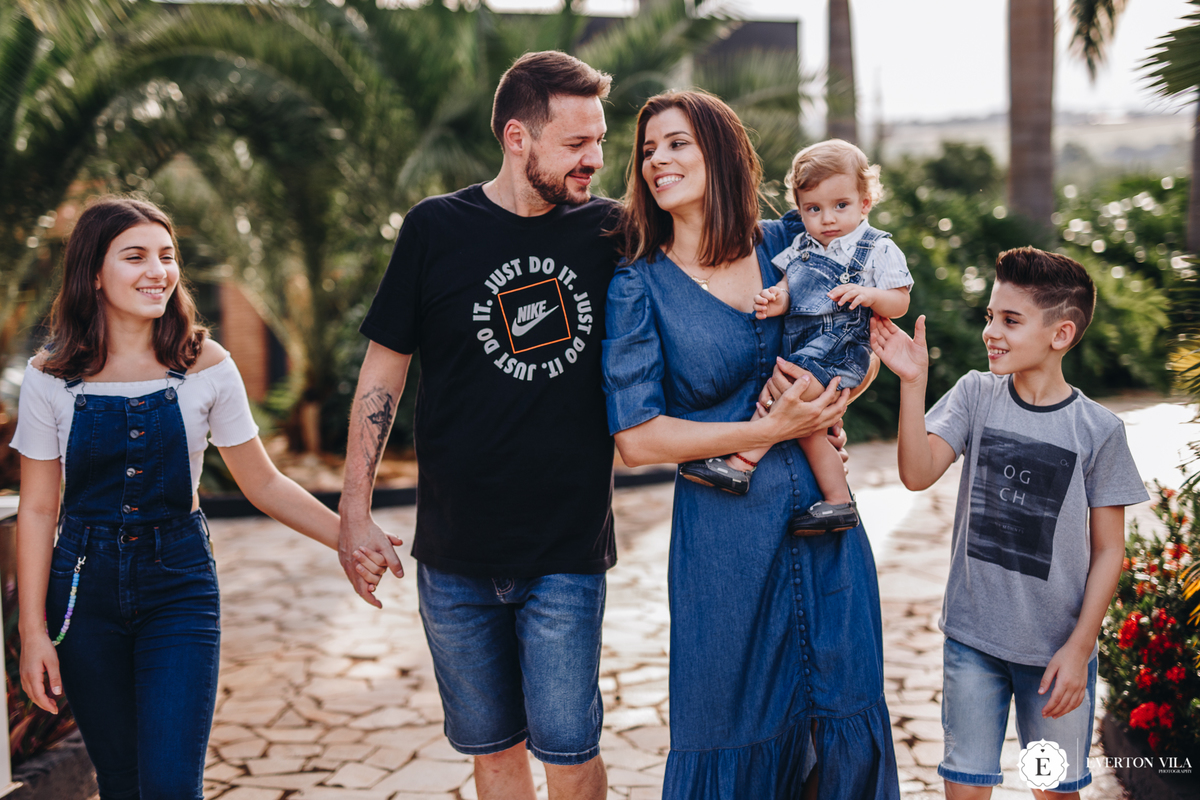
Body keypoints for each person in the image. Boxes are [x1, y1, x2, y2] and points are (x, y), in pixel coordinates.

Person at [12, 197, 393, 800]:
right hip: (83, 594)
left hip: (178, 586)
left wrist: (349, 538)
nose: (157, 271)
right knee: (120, 783)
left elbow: (263, 483)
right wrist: (33, 632)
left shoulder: (206, 364)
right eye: (135, 256)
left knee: (171, 786)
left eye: (167, 256)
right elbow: (37, 510)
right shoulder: (50, 375)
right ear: (93, 274)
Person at [338, 52, 618, 800]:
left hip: (565, 551)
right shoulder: (435, 228)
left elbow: (709, 272)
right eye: (576, 143)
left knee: (570, 751)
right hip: (455, 554)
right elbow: (383, 372)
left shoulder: (609, 230)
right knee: (493, 754)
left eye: (599, 140)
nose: (595, 159)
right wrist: (354, 510)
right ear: (518, 137)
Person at [603, 90, 899, 800]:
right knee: (731, 728)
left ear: (721, 152)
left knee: (842, 714)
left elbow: (866, 337)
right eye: (648, 149)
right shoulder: (638, 284)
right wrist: (768, 431)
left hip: (828, 527)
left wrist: (833, 401)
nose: (657, 160)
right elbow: (637, 440)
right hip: (723, 545)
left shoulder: (789, 244)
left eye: (677, 143)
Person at [870, 247, 1148, 799]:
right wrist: (912, 382)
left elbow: (1109, 551)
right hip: (972, 642)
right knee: (966, 787)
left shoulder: (1099, 431)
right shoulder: (975, 394)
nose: (991, 332)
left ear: (1061, 334)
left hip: (1055, 657)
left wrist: (1079, 648)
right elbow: (917, 473)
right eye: (990, 316)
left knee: (1051, 788)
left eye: (1010, 320)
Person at [678, 139, 911, 536]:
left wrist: (870, 295)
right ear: (800, 209)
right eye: (813, 209)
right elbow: (792, 287)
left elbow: (900, 301)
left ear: (865, 202)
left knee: (783, 389)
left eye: (841, 205)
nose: (827, 219)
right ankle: (839, 502)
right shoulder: (803, 245)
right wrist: (777, 299)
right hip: (808, 347)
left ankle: (741, 465)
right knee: (808, 428)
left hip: (842, 348)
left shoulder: (877, 248)